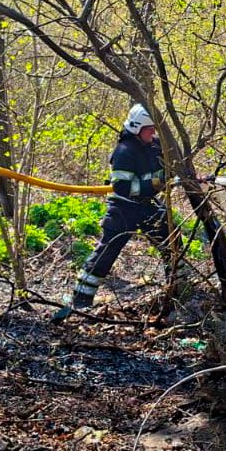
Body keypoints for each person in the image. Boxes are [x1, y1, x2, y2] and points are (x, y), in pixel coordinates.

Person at [52, 104, 181, 321]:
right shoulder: (124, 152)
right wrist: (156, 182)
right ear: (137, 128)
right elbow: (123, 187)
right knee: (108, 250)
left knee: (172, 241)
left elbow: (168, 166)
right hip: (124, 208)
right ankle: (81, 299)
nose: (153, 133)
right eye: (150, 129)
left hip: (148, 205)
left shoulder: (155, 145)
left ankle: (177, 291)